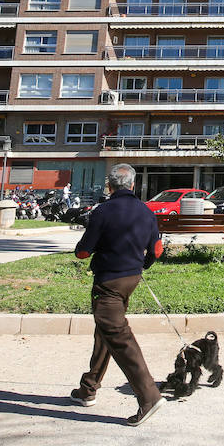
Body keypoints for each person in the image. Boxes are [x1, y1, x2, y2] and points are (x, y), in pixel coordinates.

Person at [69, 164, 166, 426]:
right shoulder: (147, 212)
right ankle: (88, 388)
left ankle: (149, 396)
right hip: (132, 279)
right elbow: (156, 250)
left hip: (108, 282)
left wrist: (86, 245)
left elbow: (83, 251)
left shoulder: (102, 211)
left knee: (118, 336)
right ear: (133, 185)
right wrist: (141, 266)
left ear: (109, 186)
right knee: (106, 331)